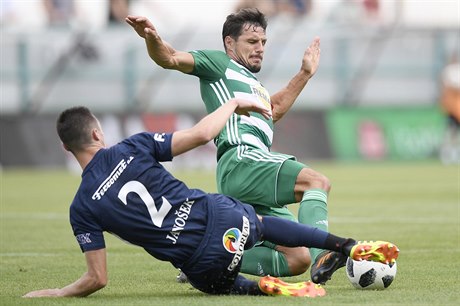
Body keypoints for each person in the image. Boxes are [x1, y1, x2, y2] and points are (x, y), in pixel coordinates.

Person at [22, 101, 399, 298]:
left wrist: (58, 291)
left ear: (66, 147)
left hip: (199, 261)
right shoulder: (133, 146)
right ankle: (346, 245)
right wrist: (233, 103)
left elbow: (97, 278)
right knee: (264, 225)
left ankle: (262, 287)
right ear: (96, 132)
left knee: (219, 283)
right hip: (219, 217)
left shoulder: (82, 208)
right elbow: (203, 134)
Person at [126, 8, 342, 284]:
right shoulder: (218, 64)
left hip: (249, 174)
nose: (260, 49)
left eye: (263, 42)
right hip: (242, 159)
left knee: (297, 258)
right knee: (316, 182)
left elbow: (272, 109)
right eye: (252, 42)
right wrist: (151, 37)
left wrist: (304, 73)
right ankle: (324, 253)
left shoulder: (254, 85)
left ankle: (202, 261)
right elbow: (169, 57)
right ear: (230, 43)